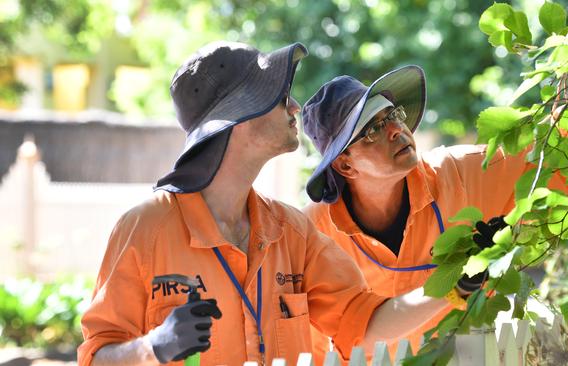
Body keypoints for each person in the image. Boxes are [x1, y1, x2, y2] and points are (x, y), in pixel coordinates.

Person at [77, 42, 477, 366]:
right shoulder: (145, 229)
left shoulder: (292, 231)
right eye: (280, 96)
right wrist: (153, 348)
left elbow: (364, 321)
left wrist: (453, 286)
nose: (295, 108)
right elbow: (96, 357)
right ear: (238, 116)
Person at [301, 67, 561, 361]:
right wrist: (454, 285)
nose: (397, 129)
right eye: (373, 129)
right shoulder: (313, 233)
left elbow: (559, 151)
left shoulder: (464, 173)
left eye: (393, 115)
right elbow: (322, 342)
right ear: (345, 166)